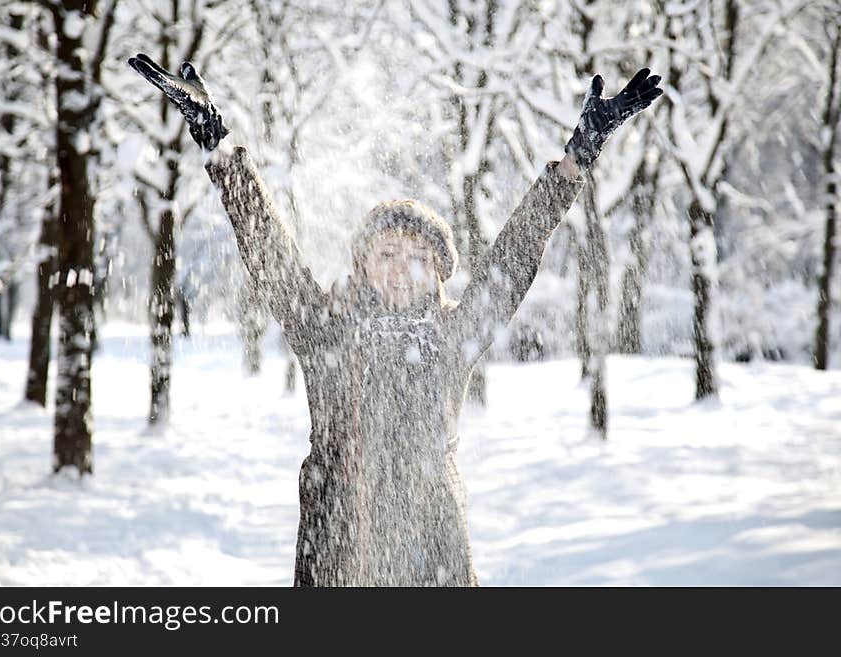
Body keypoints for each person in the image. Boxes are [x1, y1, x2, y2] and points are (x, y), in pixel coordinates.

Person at [128, 54, 662, 586]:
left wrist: (575, 162)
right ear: (362, 266)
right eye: (386, 253)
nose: (400, 269)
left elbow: (514, 257)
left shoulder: (454, 335)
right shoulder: (325, 331)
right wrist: (220, 151)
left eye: (416, 256)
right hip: (336, 558)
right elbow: (271, 253)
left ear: (437, 271)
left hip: (436, 560)